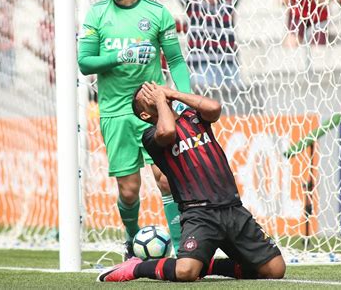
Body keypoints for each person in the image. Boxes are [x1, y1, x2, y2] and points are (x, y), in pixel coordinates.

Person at [98, 82, 286, 282]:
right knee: (185, 272)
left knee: (275, 270)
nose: (154, 93)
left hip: (233, 208)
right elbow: (168, 131)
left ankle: (209, 265)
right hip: (199, 213)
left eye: (155, 89)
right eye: (147, 95)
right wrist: (162, 101)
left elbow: (214, 108)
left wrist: (172, 93)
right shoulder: (151, 136)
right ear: (145, 115)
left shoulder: (193, 116)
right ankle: (138, 267)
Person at [78, 0, 191, 257]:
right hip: (115, 113)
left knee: (166, 179)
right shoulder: (97, 14)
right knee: (129, 191)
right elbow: (84, 62)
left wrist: (185, 99)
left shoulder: (157, 13)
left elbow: (177, 62)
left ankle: (183, 250)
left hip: (153, 112)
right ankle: (131, 241)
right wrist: (121, 56)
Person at [155, 0, 275, 91]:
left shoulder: (227, 3)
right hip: (201, 68)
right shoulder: (193, 5)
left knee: (232, 110)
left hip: (228, 67)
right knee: (204, 110)